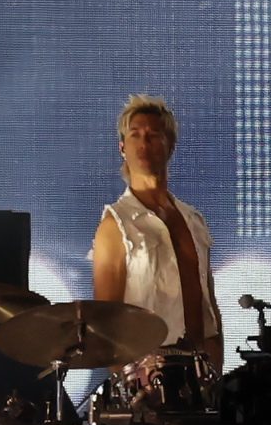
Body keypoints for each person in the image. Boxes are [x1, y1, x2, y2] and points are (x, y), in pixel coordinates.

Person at [91, 93, 223, 398]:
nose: (144, 143)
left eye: (153, 135)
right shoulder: (116, 224)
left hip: (201, 376)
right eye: (135, 135)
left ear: (169, 145)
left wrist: (215, 365)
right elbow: (105, 322)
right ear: (122, 147)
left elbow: (207, 302)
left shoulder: (193, 220)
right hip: (148, 382)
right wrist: (132, 387)